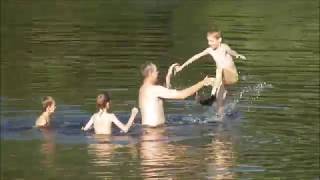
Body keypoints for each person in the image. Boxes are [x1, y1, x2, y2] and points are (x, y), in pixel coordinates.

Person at [174, 30, 246, 115]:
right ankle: (217, 116)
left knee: (219, 68)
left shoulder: (224, 47)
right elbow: (196, 57)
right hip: (221, 80)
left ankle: (212, 95)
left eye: (212, 41)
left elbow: (231, 52)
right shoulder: (210, 50)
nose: (209, 43)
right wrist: (182, 66)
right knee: (219, 101)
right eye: (208, 41)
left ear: (219, 40)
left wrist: (237, 55)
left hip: (232, 76)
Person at [139, 62, 214, 127]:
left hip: (149, 130)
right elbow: (182, 95)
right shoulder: (154, 89)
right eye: (156, 71)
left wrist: (169, 75)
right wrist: (202, 83)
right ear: (150, 73)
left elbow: (164, 93)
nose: (158, 73)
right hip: (155, 133)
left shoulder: (143, 89)